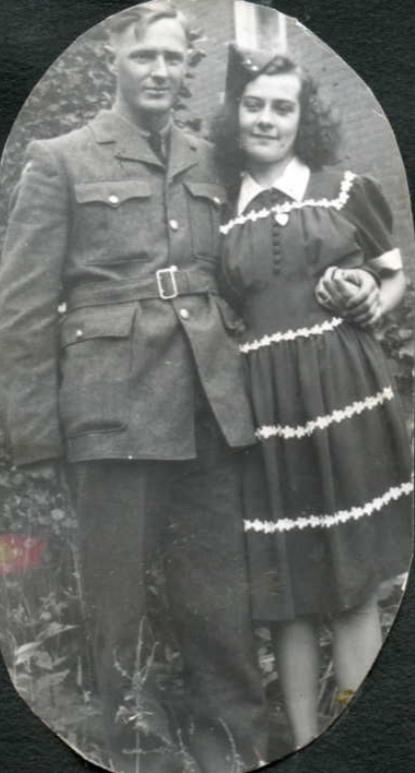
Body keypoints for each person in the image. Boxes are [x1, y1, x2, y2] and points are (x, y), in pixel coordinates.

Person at [0, 9, 269, 773]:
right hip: (112, 404)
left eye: (172, 57)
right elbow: (21, 306)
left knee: (219, 587)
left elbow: (240, 271)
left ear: (187, 66)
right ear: (112, 57)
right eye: (144, 54)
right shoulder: (61, 159)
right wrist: (35, 436)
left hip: (209, 400)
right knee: (116, 598)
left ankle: (232, 739)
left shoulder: (210, 158)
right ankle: (138, 751)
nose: (159, 69)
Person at [211, 45, 413, 751]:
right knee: (286, 591)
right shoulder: (218, 207)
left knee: (352, 583)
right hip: (266, 409)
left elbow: (392, 277)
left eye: (282, 107)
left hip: (344, 395)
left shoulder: (343, 188)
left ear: (304, 117)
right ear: (235, 113)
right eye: (254, 105)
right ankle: (301, 743)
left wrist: (370, 297)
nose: (267, 119)